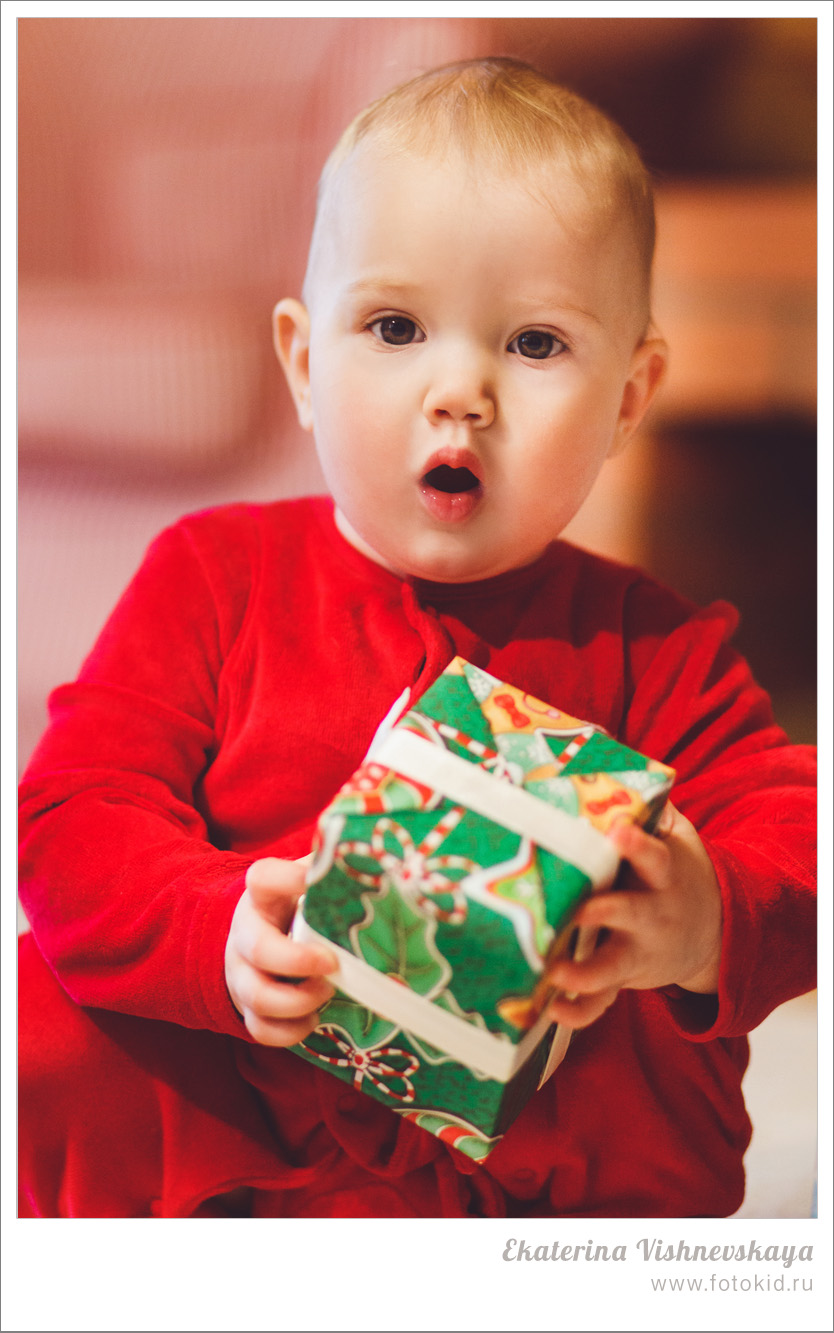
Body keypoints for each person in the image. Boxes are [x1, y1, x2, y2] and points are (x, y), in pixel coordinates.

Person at [18, 57, 815, 1219]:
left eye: (535, 345)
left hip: (521, 1169)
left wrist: (704, 916)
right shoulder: (216, 574)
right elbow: (71, 816)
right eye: (395, 326)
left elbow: (797, 833)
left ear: (629, 398)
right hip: (240, 1139)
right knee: (53, 1002)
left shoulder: (659, 647)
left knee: (675, 1024)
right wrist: (216, 931)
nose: (461, 393)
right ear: (304, 361)